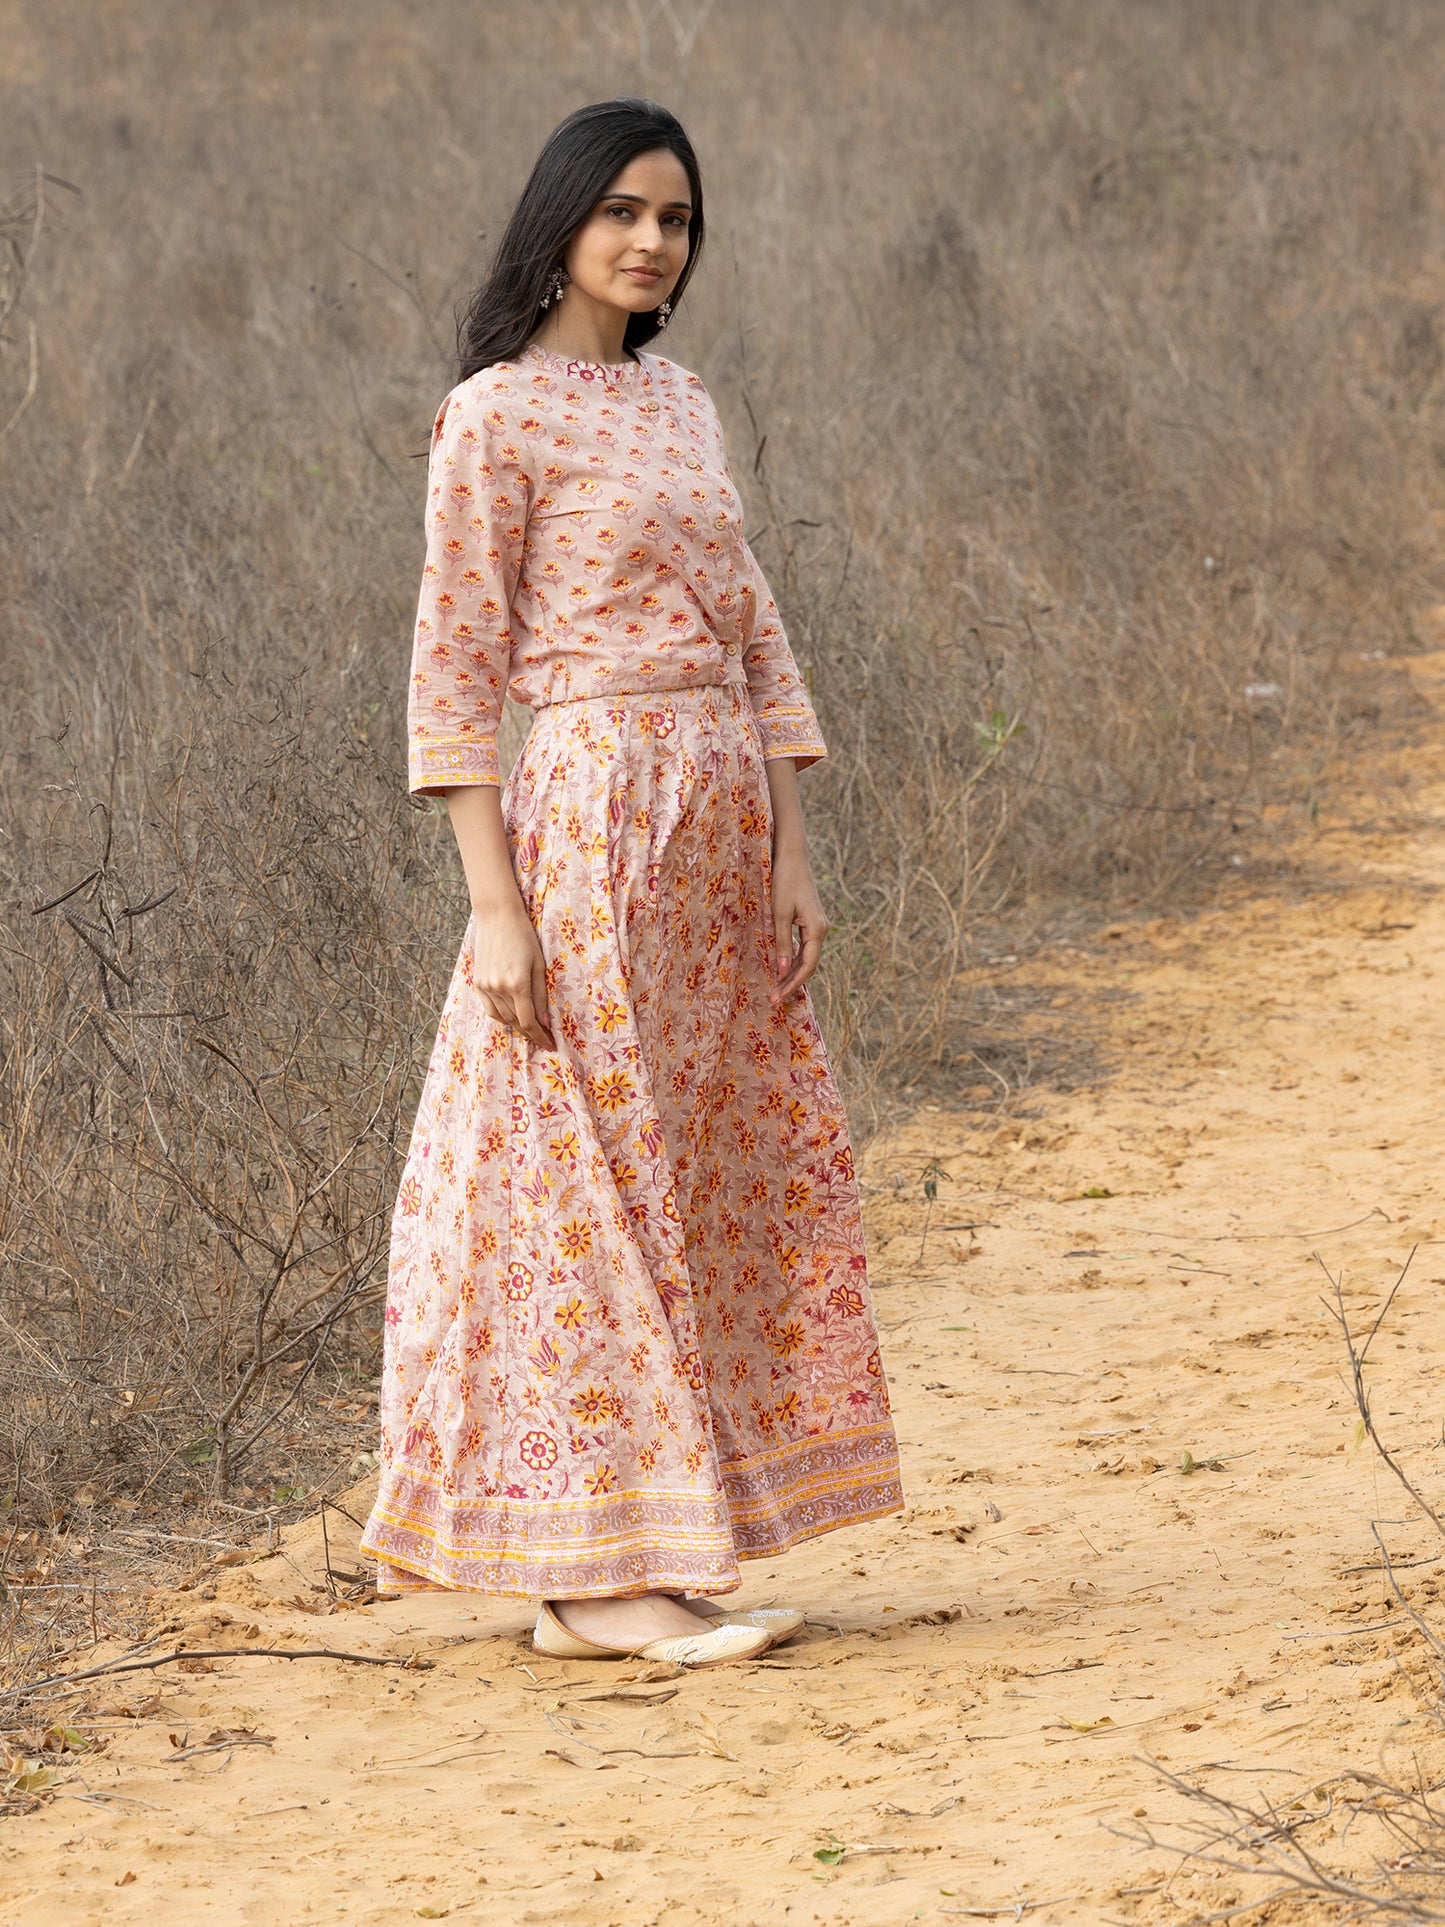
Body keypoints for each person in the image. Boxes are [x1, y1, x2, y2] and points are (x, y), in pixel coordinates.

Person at [360, 97, 902, 1668]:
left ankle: (660, 1540)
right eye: (623, 214)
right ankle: (589, 1578)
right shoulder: (495, 417)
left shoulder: (684, 405)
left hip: (719, 820)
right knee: (571, 1178)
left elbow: (751, 624)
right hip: (587, 817)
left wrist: (793, 847)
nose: (652, 241)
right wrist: (492, 903)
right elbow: (453, 669)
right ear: (561, 222)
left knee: (695, 1177)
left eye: (675, 219)